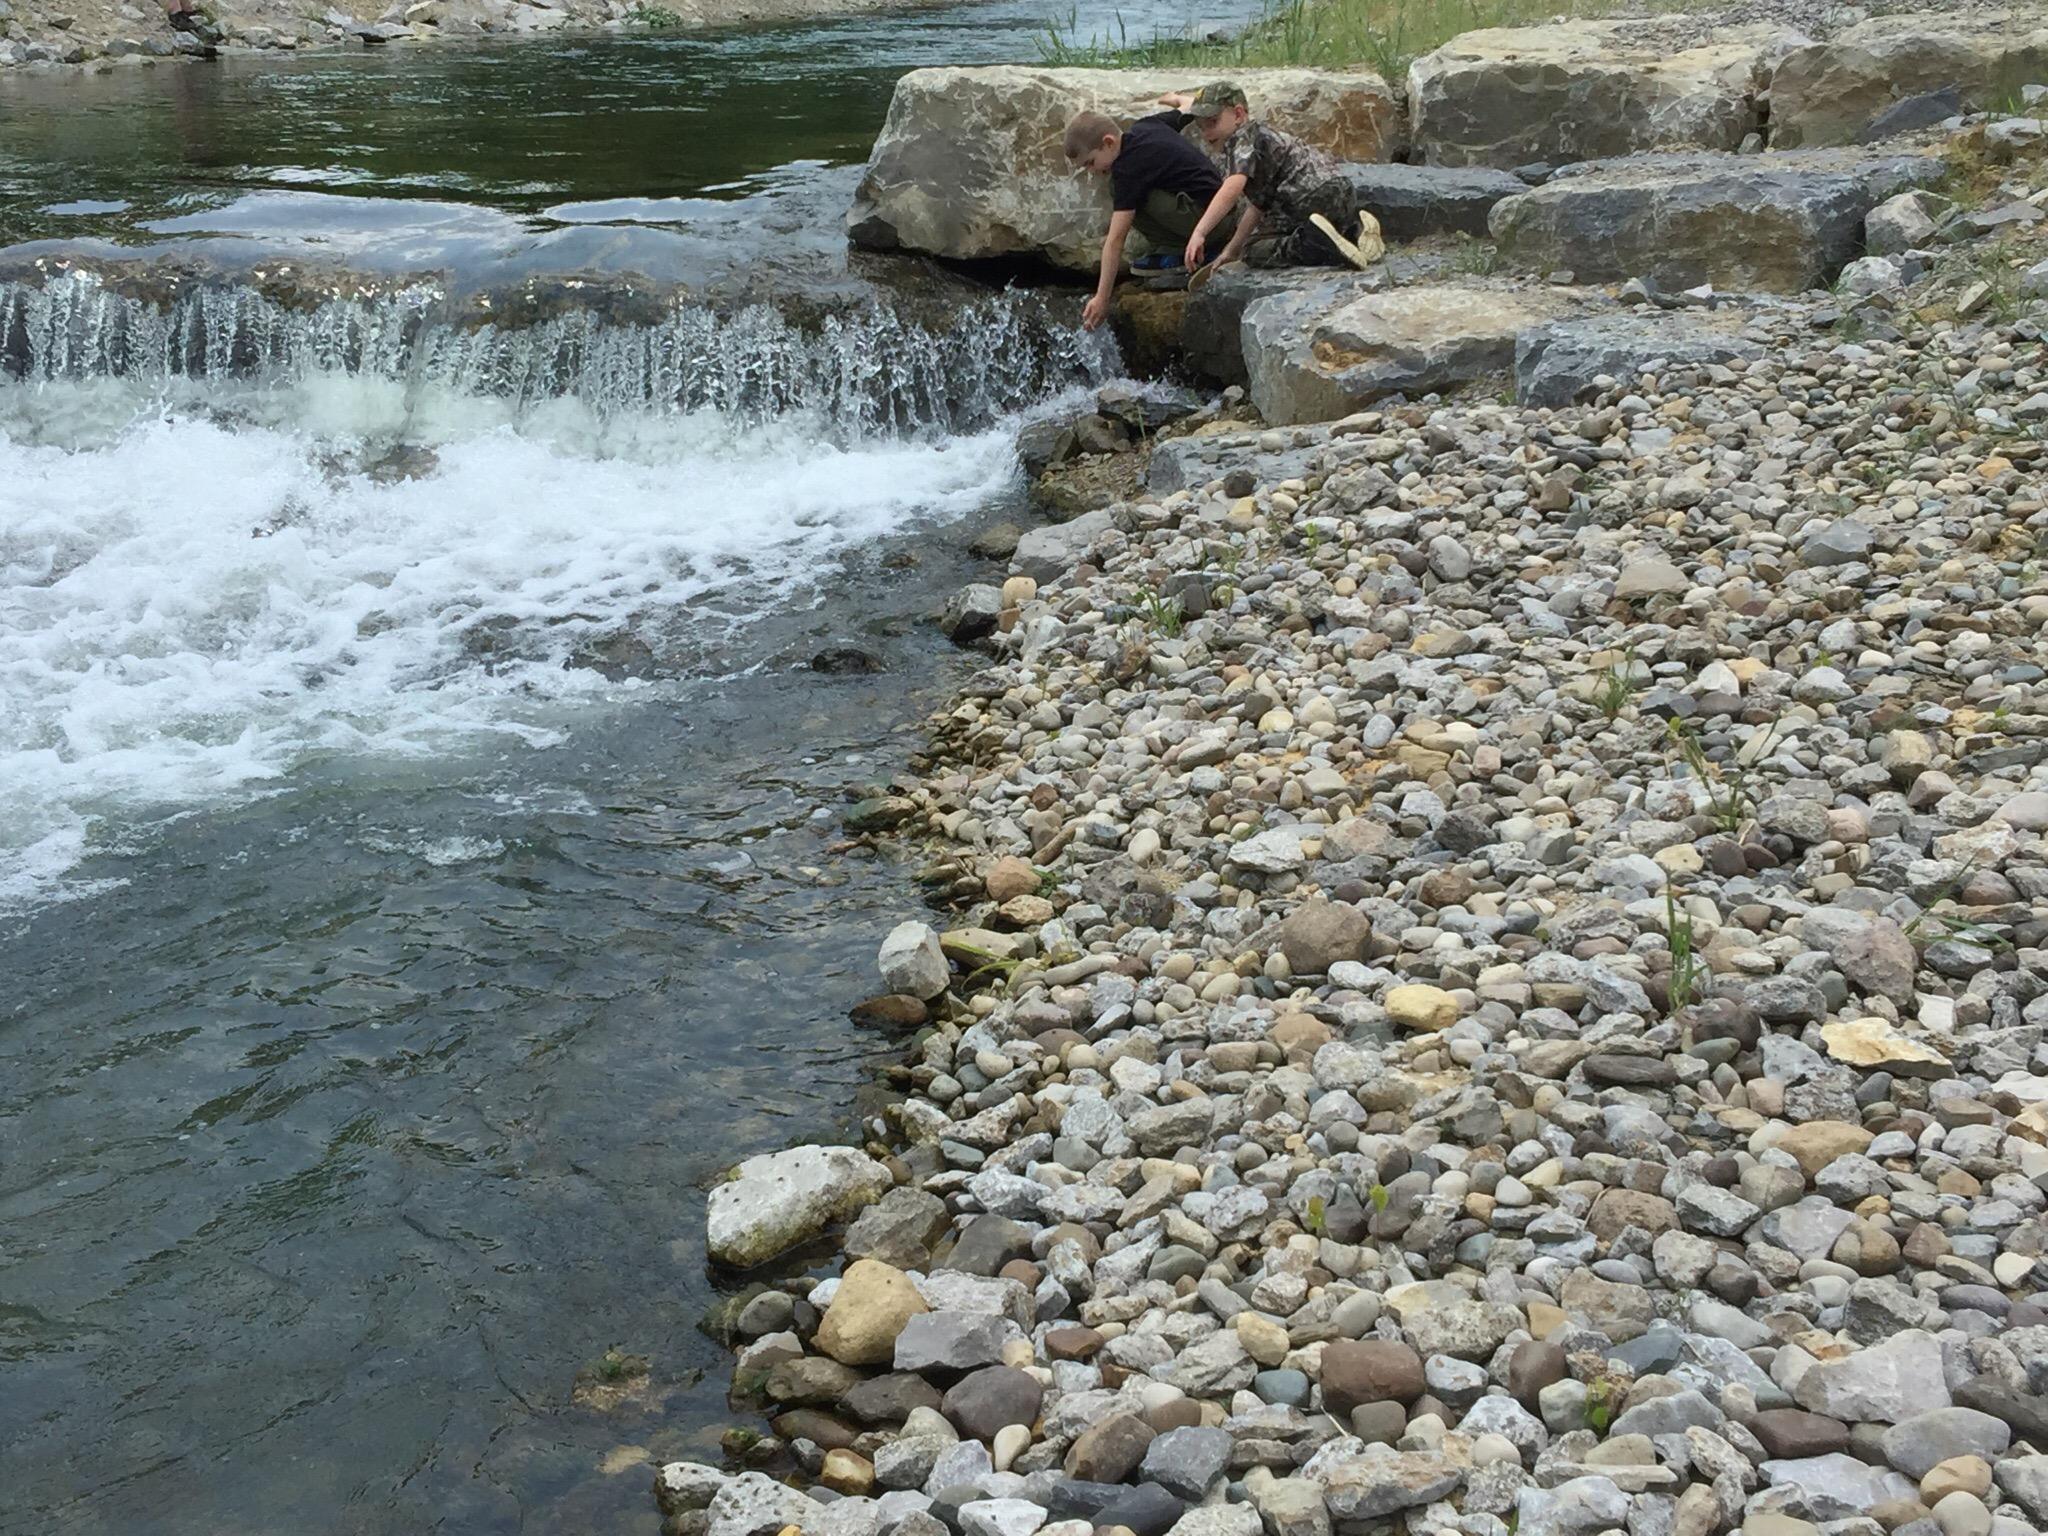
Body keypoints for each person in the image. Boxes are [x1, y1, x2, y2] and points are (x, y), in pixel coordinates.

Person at [1062, 101, 1238, 330]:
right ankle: (1189, 245)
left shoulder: (1127, 169)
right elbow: (1186, 110)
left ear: (1108, 142)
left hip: (1210, 227)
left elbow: (1116, 240)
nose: (1092, 171)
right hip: (1223, 212)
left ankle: (1184, 251)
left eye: (1090, 163)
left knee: (1123, 193)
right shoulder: (1146, 125)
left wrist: (1102, 297)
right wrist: (1178, 98)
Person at [1168, 82, 1373, 274]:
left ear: (1238, 114)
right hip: (1340, 191)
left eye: (1213, 122)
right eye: (1201, 127)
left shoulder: (1242, 139)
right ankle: (1354, 233)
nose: (1206, 133)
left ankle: (1315, 244)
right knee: (1251, 242)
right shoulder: (1261, 136)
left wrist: (1200, 232)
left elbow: (1233, 186)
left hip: (1306, 199)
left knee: (1254, 252)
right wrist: (1231, 251)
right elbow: (1257, 207)